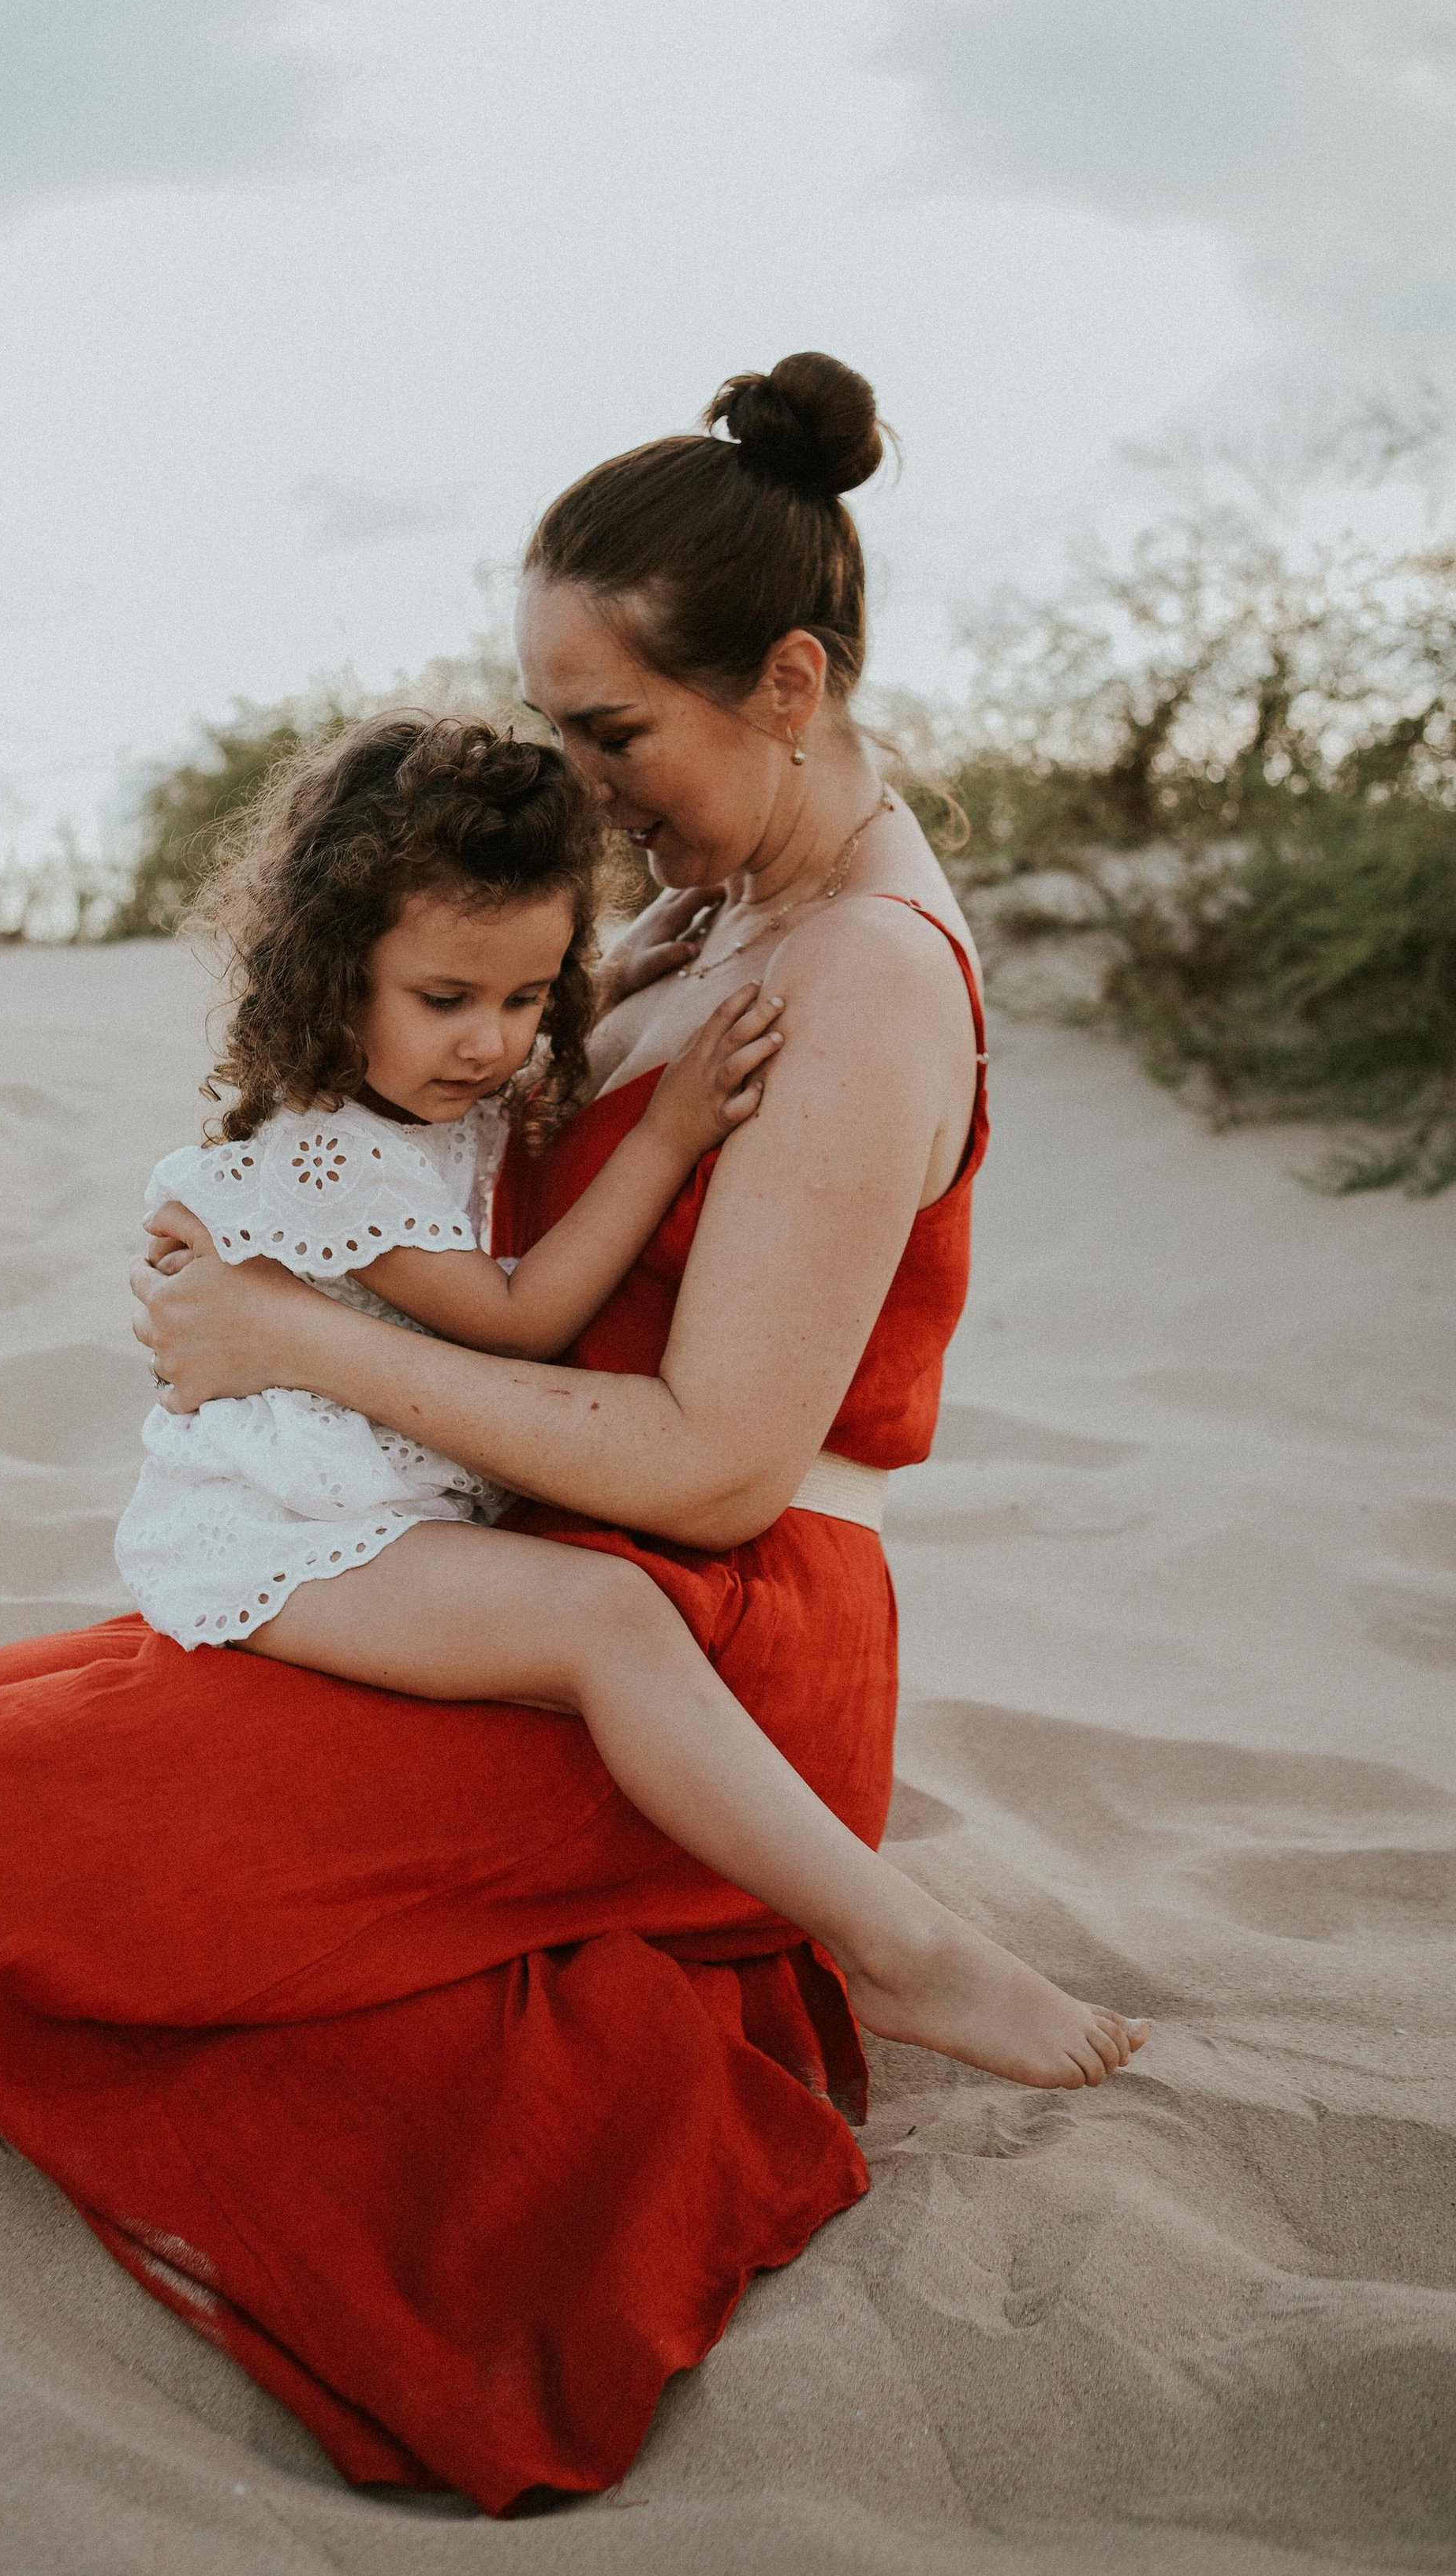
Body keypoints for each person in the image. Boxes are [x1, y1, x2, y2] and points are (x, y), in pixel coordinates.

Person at [0, 348, 1145, 2516]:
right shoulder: (693, 913)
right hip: (515, 1561)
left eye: (611, 729)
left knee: (16, 1822)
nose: (577, 777)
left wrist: (290, 1339)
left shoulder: (862, 988)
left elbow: (721, 1466)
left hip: (698, 1617)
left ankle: (787, 1972)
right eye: (549, 721)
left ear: (792, 682)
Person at [120, 708, 1144, 2092]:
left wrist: (597, 982)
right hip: (293, 1538)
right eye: (448, 1000)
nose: (493, 1043)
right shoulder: (329, 1158)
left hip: (417, 1525)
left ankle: (902, 1949)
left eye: (526, 999)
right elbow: (525, 1315)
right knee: (608, 1620)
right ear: (332, 971)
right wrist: (665, 1130)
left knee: (610, 1623)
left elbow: (506, 1085)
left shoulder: (437, 1082)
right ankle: (895, 1941)